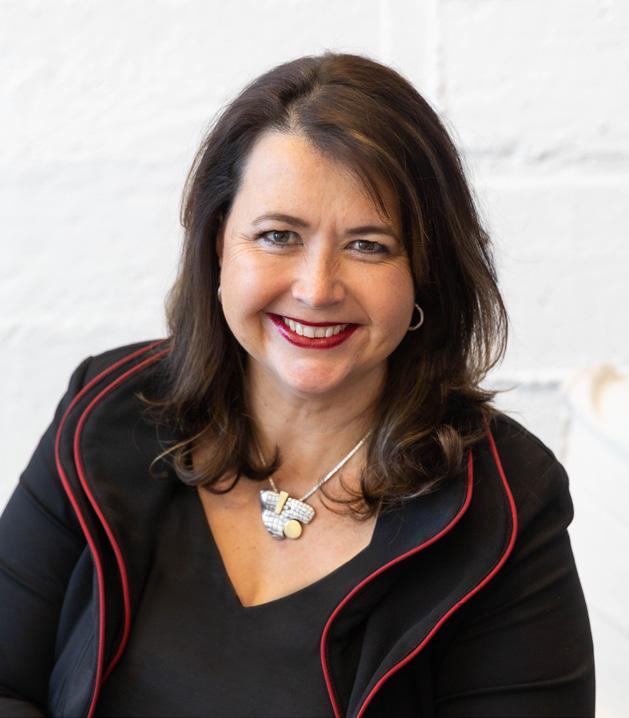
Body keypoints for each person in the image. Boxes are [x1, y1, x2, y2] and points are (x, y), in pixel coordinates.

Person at [0, 52, 595, 718]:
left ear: (424, 273)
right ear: (217, 245)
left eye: (368, 245)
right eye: (278, 235)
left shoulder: (505, 505)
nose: (316, 289)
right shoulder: (105, 410)